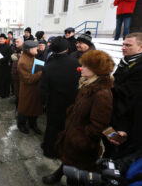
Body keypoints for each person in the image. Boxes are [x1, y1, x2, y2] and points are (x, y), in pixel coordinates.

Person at [43, 50, 114, 185]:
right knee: (68, 161)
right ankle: (58, 175)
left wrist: (79, 138)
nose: (81, 68)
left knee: (75, 177)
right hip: (74, 135)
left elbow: (98, 126)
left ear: (96, 69)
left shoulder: (102, 94)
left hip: (82, 144)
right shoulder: (87, 84)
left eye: (86, 66)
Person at [40, 36, 80, 159]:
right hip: (71, 101)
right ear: (67, 50)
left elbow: (43, 88)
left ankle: (49, 150)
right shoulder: (76, 63)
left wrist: (42, 102)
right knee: (65, 126)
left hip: (54, 102)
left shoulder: (48, 67)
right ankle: (62, 149)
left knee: (52, 126)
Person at [104, 32, 142, 158]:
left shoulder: (139, 67)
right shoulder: (126, 60)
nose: (123, 47)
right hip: (113, 113)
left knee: (117, 150)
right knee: (108, 146)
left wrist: (105, 84)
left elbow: (127, 92)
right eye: (123, 44)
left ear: (140, 47)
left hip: (125, 121)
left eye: (128, 45)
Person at [17, 40, 43, 134]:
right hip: (27, 89)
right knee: (25, 108)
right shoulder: (22, 62)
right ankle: (21, 125)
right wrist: (41, 72)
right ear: (28, 50)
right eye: (35, 47)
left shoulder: (31, 55)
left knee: (34, 108)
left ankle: (33, 124)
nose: (37, 48)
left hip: (35, 88)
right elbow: (28, 79)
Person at [0, 33, 12, 98]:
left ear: (5, 40)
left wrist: (1, 60)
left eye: (1, 39)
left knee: (5, 80)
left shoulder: (8, 47)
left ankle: (5, 94)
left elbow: (8, 56)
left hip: (5, 66)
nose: (0, 40)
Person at [11, 37, 23, 118]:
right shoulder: (16, 49)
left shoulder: (25, 50)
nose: (16, 43)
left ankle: (20, 111)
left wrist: (18, 57)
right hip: (16, 76)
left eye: (18, 42)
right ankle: (17, 110)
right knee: (17, 95)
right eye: (15, 42)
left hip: (22, 77)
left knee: (21, 95)